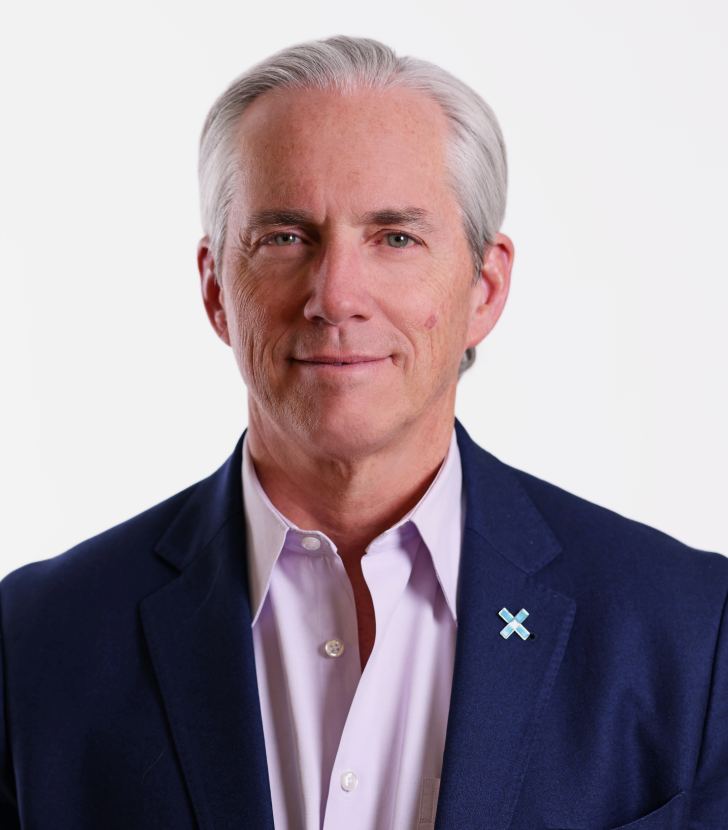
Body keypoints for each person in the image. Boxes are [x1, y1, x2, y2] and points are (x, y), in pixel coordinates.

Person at [0, 35, 725, 830]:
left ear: (484, 287)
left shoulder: (688, 634)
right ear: (215, 291)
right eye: (285, 237)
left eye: (396, 238)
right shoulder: (34, 644)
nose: (336, 295)